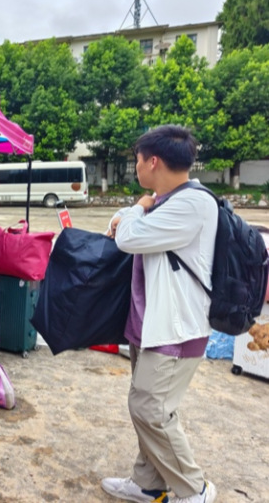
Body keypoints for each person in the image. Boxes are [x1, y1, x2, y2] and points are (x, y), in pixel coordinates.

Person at [101, 125, 218, 503]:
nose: (135, 167)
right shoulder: (166, 200)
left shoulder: (193, 204)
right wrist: (134, 211)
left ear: (153, 162)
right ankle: (148, 482)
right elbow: (120, 226)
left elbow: (129, 236)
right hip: (149, 325)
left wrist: (136, 209)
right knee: (148, 407)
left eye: (136, 160)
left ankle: (195, 489)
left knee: (150, 409)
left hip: (176, 330)